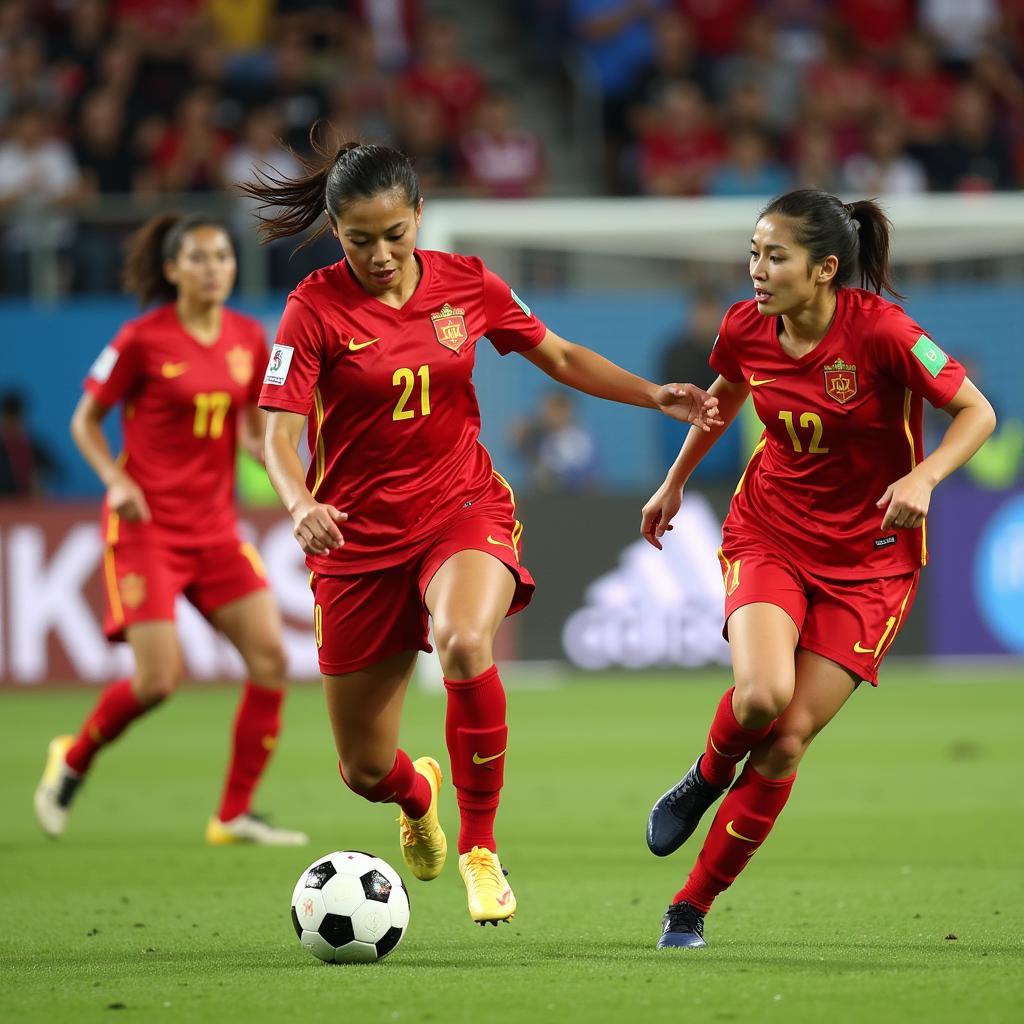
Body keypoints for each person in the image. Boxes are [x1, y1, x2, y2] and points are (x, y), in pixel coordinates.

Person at [241, 140, 721, 925]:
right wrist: (298, 504)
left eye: (395, 234)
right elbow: (275, 436)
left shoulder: (468, 284)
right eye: (360, 239)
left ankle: (481, 848)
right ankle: (415, 792)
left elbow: (558, 354)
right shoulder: (314, 308)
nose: (382, 254)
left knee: (465, 642)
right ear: (335, 231)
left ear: (419, 215)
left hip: (460, 508)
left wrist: (651, 395)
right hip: (356, 543)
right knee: (363, 769)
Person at [641, 188, 996, 949]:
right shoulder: (745, 326)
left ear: (826, 267)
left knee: (786, 738)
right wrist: (674, 482)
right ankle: (705, 777)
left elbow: (979, 412)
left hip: (870, 561)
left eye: (776, 256)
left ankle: (691, 906)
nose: (757, 270)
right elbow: (724, 400)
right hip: (772, 531)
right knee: (762, 693)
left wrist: (925, 477)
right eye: (754, 253)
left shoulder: (886, 333)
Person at [34, 213, 307, 848]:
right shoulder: (141, 339)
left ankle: (233, 814)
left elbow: (248, 428)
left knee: (270, 659)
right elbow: (84, 422)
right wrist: (115, 480)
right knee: (159, 680)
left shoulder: (247, 338)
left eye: (223, 257)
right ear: (173, 269)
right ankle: (72, 758)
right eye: (200, 258)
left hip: (215, 530)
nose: (215, 268)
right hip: (146, 529)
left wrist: (276, 463)